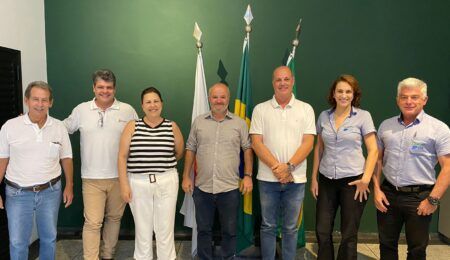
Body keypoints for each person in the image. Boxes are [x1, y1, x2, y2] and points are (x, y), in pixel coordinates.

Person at [64, 69, 137, 260]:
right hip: (91, 178)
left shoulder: (128, 110)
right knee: (93, 222)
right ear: (93, 88)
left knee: (114, 218)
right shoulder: (81, 110)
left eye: (109, 87)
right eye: (101, 87)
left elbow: (139, 137)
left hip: (119, 177)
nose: (105, 91)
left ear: (115, 88)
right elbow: (63, 129)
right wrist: (38, 121)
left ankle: (107, 255)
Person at [373, 77, 450, 259]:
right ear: (397, 99)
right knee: (386, 244)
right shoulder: (386, 126)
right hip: (388, 194)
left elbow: (447, 168)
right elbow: (376, 161)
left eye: (414, 97)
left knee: (416, 249)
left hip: (419, 197)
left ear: (424, 100)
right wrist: (376, 190)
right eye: (404, 97)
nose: (409, 101)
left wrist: (433, 200)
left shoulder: (439, 129)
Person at [0, 81, 73, 260]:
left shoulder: (59, 127)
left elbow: (66, 158)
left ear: (51, 102)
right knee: (18, 242)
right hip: (17, 193)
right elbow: (2, 159)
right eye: (35, 99)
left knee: (49, 238)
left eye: (44, 100)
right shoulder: (10, 126)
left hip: (50, 191)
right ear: (27, 100)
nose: (40, 104)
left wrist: (69, 185)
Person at [250, 66, 316, 259]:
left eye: (286, 79)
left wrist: (289, 168)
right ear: (273, 83)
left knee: (290, 227)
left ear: (293, 81)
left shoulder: (306, 109)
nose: (282, 83)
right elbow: (256, 142)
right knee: (268, 225)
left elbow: (308, 143)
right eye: (278, 79)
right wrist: (277, 168)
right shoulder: (261, 109)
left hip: (296, 179)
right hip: (267, 179)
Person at [182, 83, 253, 260]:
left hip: (229, 188)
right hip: (202, 187)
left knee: (229, 231)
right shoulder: (199, 122)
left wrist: (248, 176)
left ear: (228, 99)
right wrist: (185, 176)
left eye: (222, 97)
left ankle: (228, 257)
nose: (219, 101)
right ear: (209, 98)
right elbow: (190, 149)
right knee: (204, 230)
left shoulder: (239, 123)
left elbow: (248, 150)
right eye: (215, 97)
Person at [310, 75, 378, 259]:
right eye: (340, 91)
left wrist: (366, 180)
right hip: (326, 180)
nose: (344, 95)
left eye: (348, 91)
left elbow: (373, 150)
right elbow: (319, 147)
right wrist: (314, 178)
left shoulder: (363, 117)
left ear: (354, 94)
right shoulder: (324, 116)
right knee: (322, 230)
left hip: (354, 181)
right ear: (333, 93)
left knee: (349, 234)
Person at [118, 87, 184, 259]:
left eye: (156, 101)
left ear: (161, 103)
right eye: (148, 101)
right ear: (142, 105)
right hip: (138, 183)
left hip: (166, 181)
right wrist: (124, 185)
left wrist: (162, 164)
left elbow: (179, 152)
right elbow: (122, 156)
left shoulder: (172, 126)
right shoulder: (132, 126)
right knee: (143, 230)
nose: (152, 105)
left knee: (165, 229)